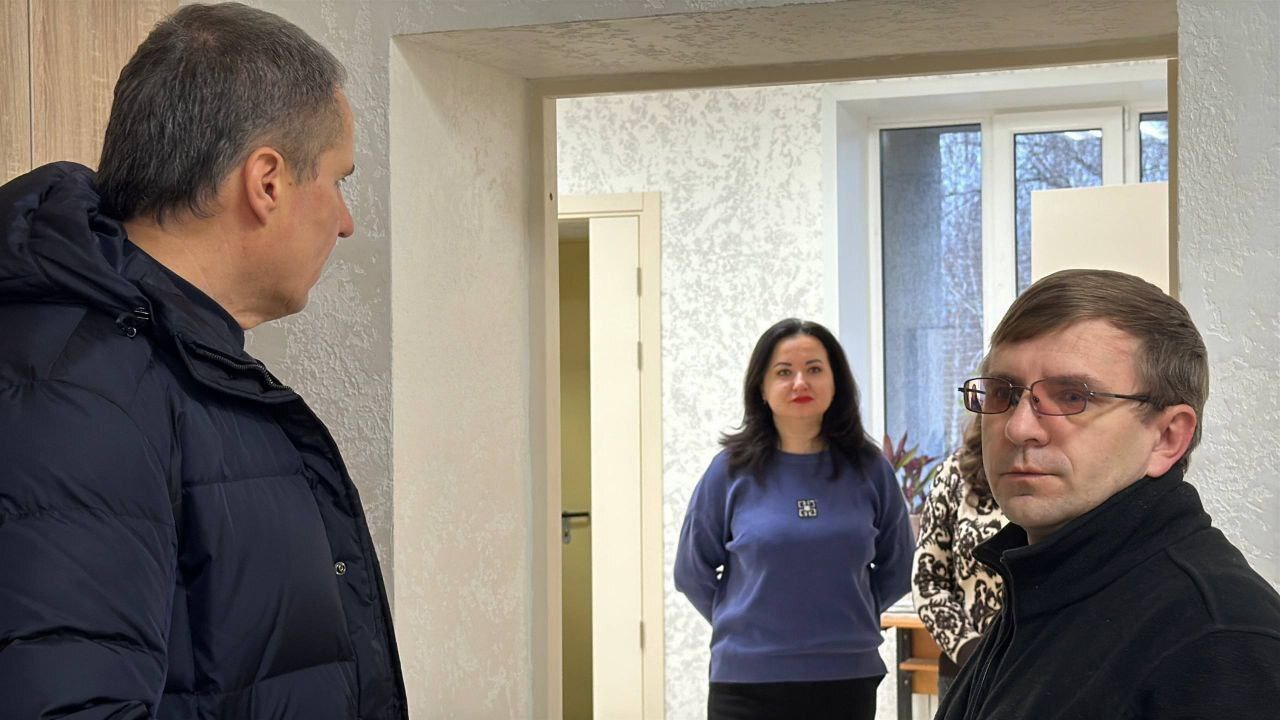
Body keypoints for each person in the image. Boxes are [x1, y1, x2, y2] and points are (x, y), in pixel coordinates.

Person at [0, 4, 406, 718]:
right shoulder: (81, 395)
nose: (345, 222)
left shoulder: (184, 370)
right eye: (339, 180)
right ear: (267, 181)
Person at [936, 269, 1280, 719]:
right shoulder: (1043, 581)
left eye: (1072, 397)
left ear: (1167, 437)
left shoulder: (1218, 641)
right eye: (1003, 392)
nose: (1018, 428)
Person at [674, 318, 914, 720]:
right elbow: (691, 571)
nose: (800, 382)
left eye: (814, 369)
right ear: (761, 387)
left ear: (836, 383)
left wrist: (854, 614)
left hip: (846, 678)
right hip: (746, 682)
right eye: (784, 372)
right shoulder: (729, 471)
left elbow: (899, 565)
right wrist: (744, 625)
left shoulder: (870, 468)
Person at [911, 420, 1007, 700]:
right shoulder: (956, 472)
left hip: (1050, 671)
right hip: (967, 670)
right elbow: (927, 580)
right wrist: (972, 653)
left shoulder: (1069, 472)